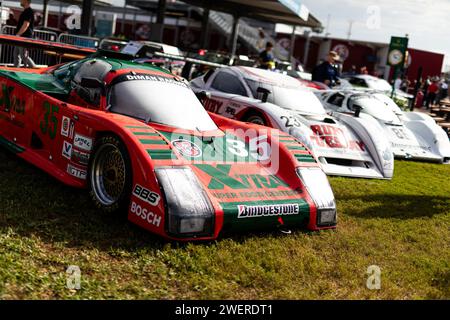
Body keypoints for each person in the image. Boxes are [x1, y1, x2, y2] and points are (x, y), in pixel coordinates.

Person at [14, 0, 36, 68]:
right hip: (21, 37)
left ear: (26, 1)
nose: (20, 1)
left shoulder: (29, 11)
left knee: (24, 56)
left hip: (24, 38)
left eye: (21, 0)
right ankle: (15, 71)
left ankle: (35, 69)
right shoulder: (26, 11)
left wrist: (18, 34)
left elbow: (26, 25)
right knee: (16, 55)